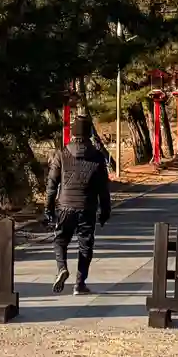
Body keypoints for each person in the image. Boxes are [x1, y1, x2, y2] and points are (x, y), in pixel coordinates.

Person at [43, 123, 114, 293]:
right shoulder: (97, 157)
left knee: (60, 240)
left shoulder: (62, 154)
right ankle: (79, 284)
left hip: (65, 206)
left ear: (73, 134)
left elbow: (51, 185)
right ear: (89, 134)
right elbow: (103, 188)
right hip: (87, 207)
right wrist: (105, 211)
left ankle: (62, 268)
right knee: (85, 245)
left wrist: (48, 208)